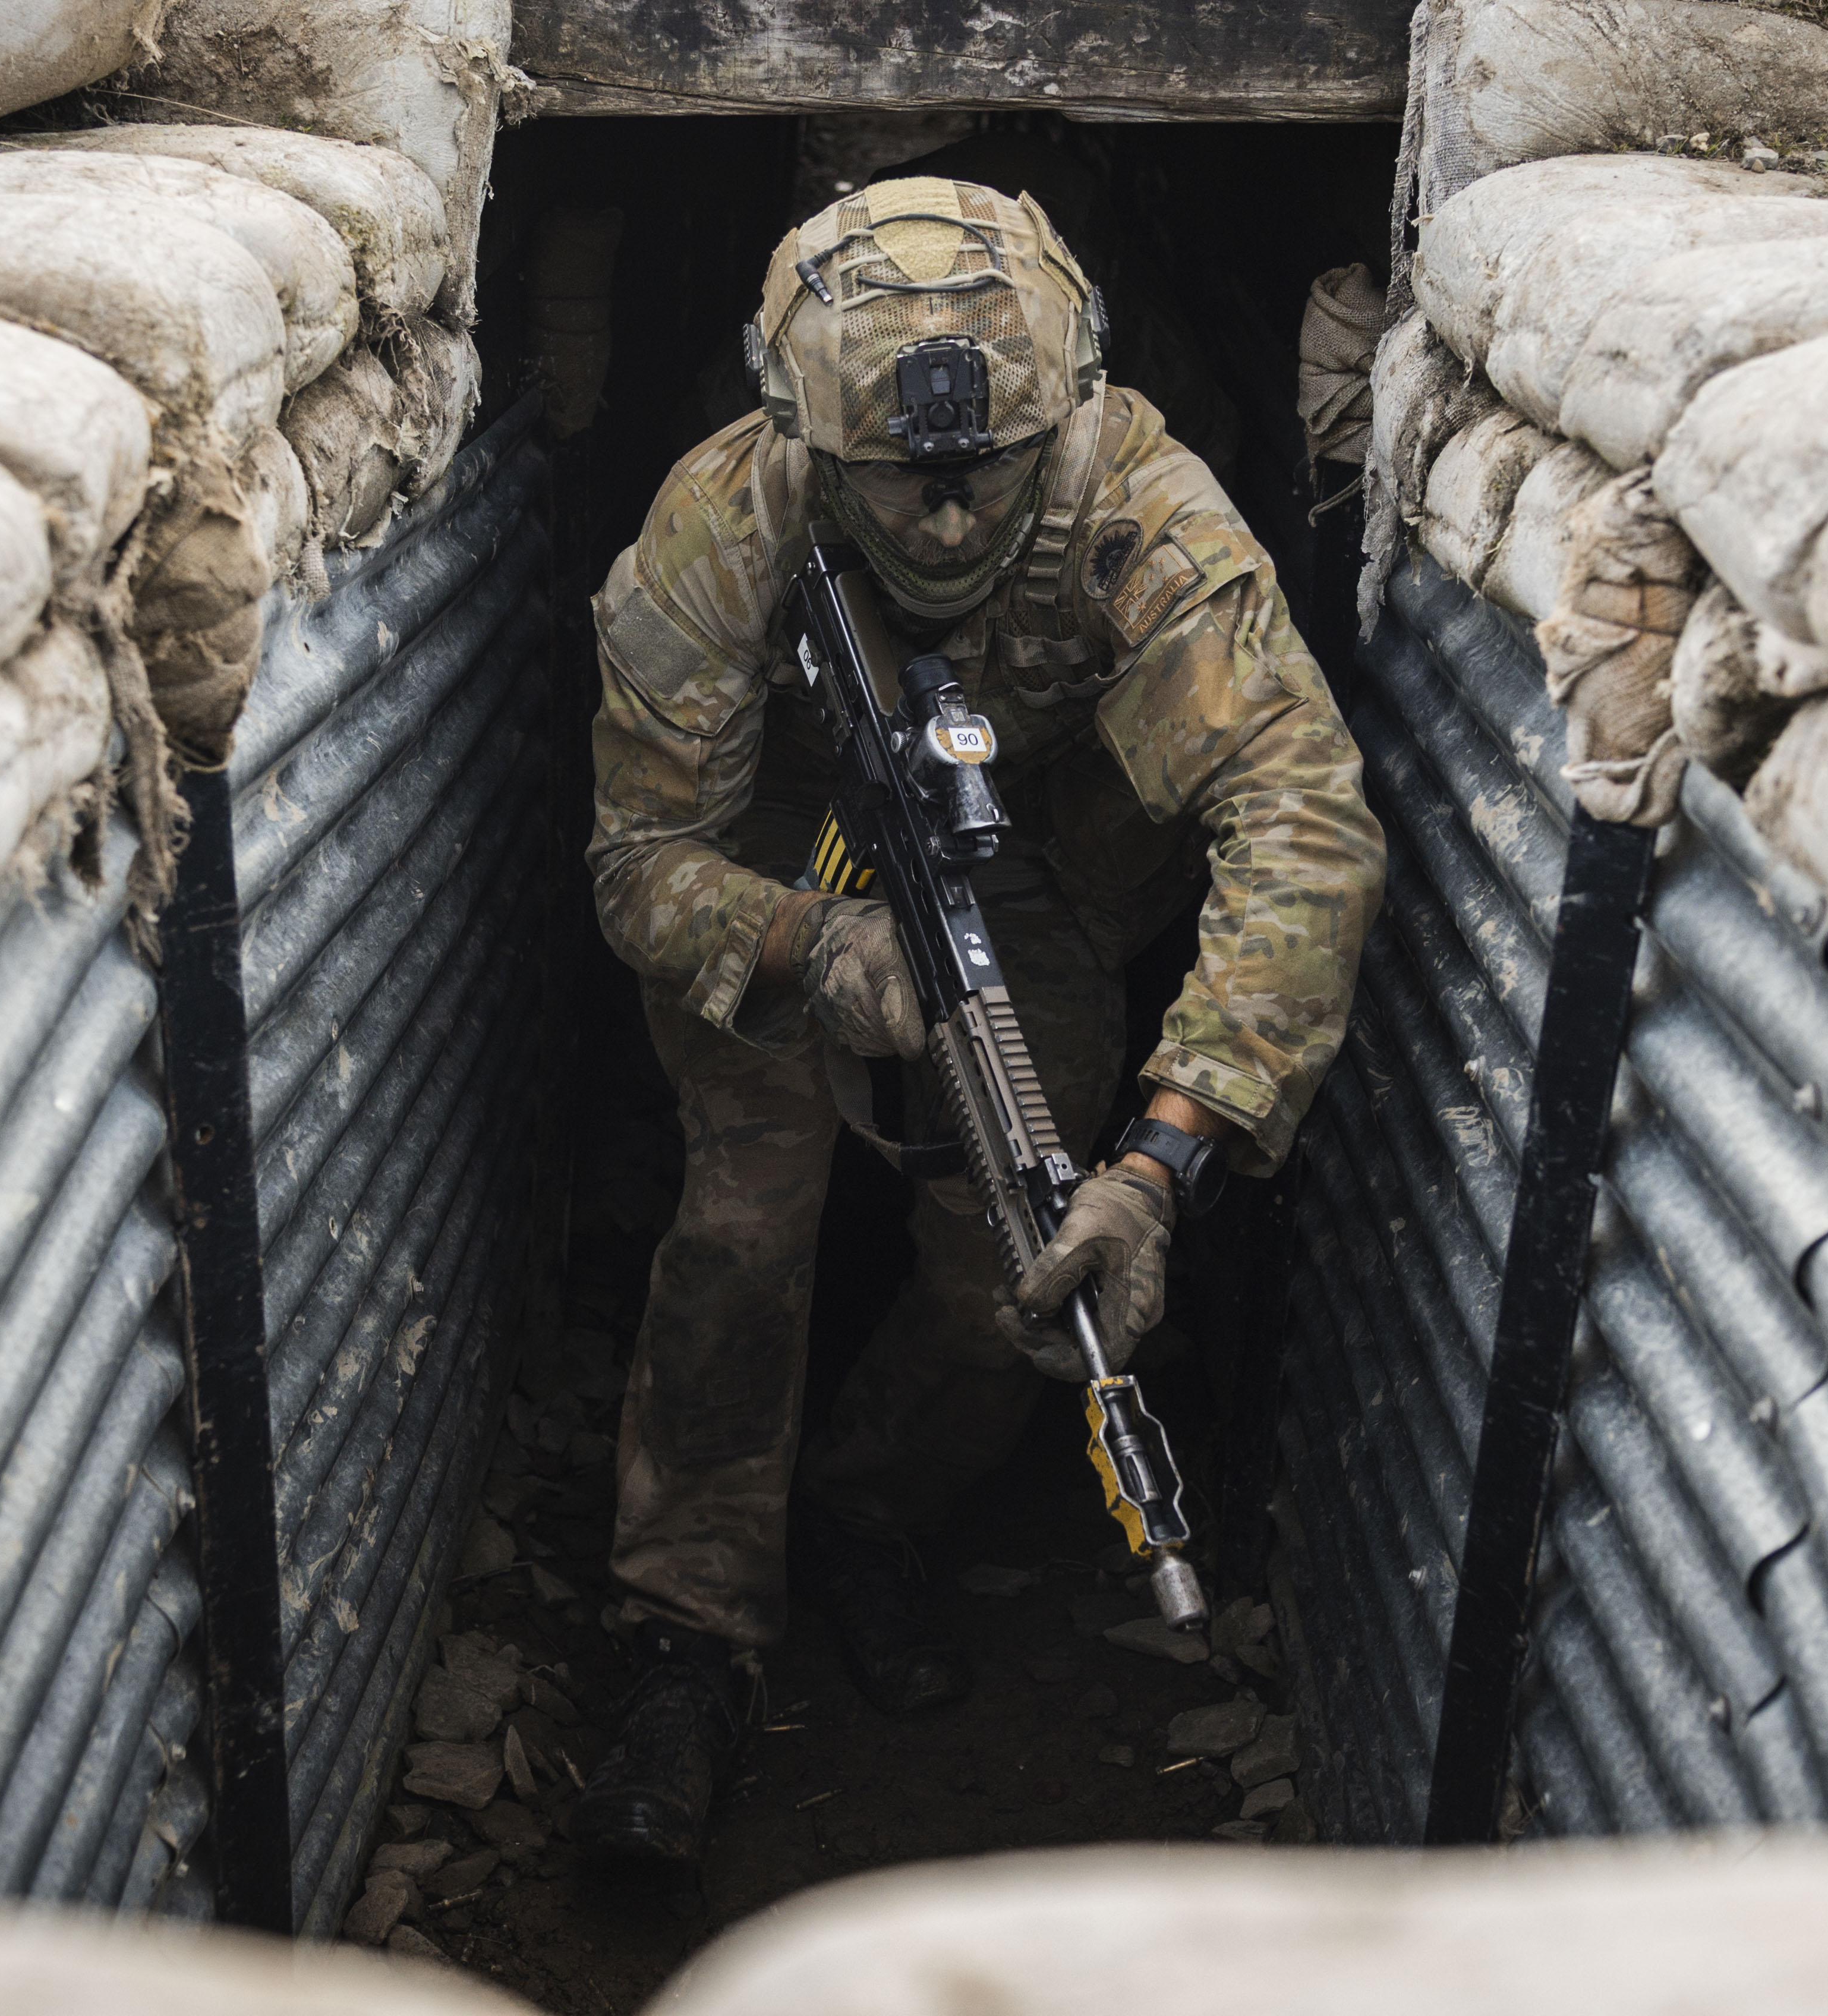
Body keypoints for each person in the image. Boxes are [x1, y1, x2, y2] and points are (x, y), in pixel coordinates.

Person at [568, 177, 1386, 1863]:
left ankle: (872, 1509)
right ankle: (689, 1628)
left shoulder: (1141, 511)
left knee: (1019, 1252)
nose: (944, 525)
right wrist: (807, 940)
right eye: (901, 480)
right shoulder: (723, 524)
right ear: (803, 429)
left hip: (1030, 875)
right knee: (744, 1219)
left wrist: (1166, 1160)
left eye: (986, 469)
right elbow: (638, 863)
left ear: (1068, 403)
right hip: (775, 857)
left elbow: (1301, 818)